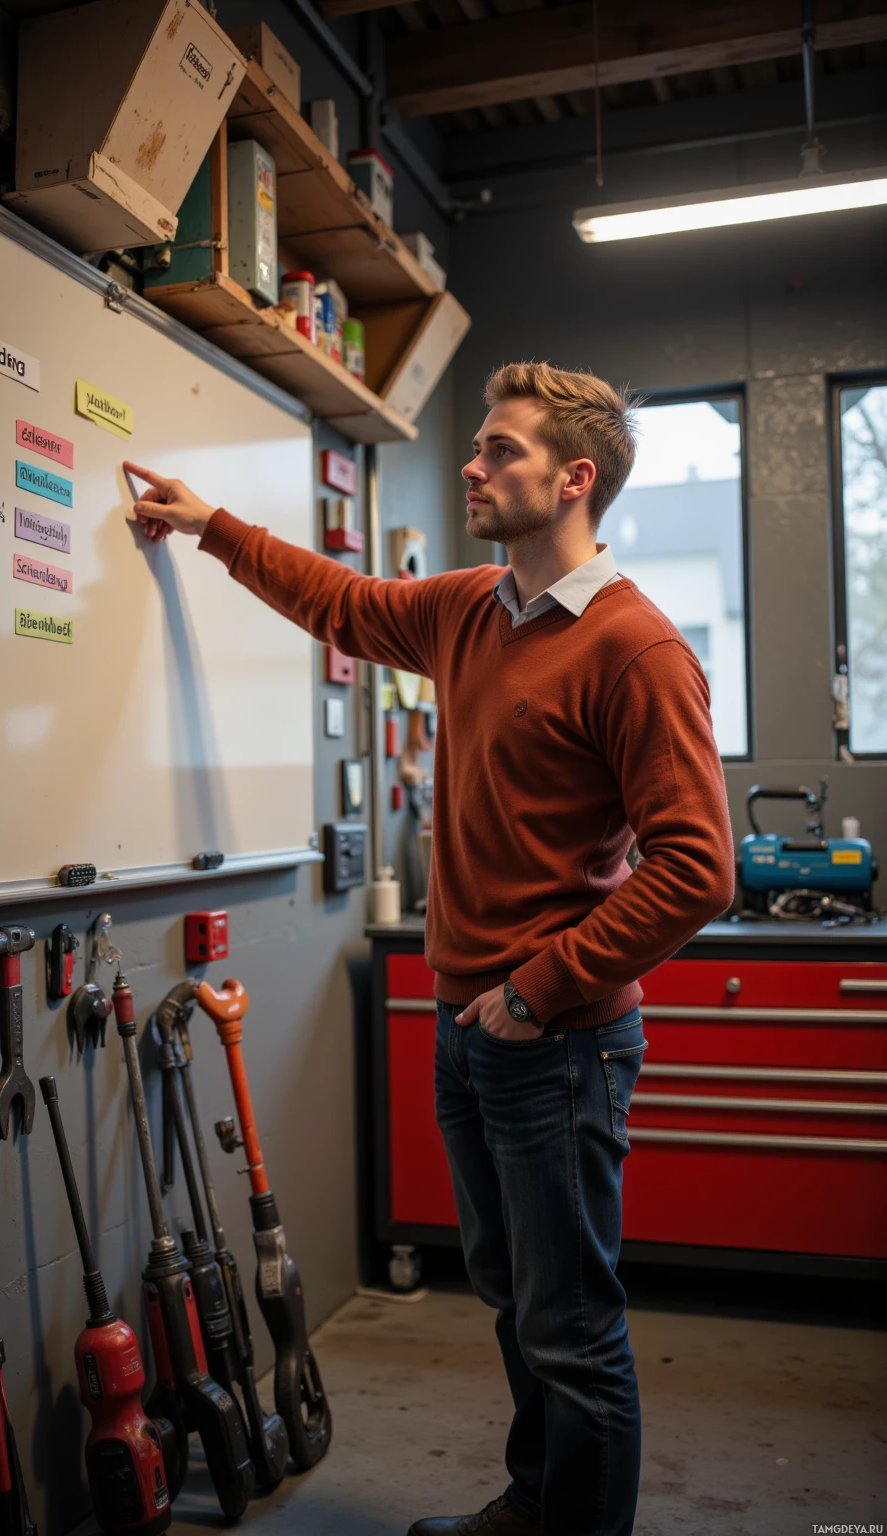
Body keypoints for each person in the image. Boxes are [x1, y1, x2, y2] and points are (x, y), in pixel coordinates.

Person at [124, 360, 734, 1536]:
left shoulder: (635, 649)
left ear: (574, 480)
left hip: (555, 1041)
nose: (472, 463)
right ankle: (534, 1501)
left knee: (572, 1327)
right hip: (475, 1032)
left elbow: (695, 867)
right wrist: (213, 528)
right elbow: (341, 604)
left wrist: (536, 992)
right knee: (514, 1304)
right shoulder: (474, 607)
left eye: (499, 449)